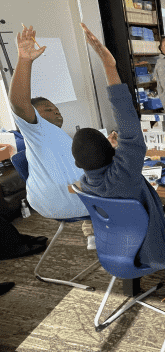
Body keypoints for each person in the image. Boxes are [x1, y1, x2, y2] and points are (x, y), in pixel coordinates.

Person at [74, 23, 165, 303]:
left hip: (118, 249)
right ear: (111, 150)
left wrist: (114, 150)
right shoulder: (124, 173)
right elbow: (129, 123)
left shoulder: (84, 183)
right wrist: (109, 66)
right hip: (154, 245)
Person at [8, 24, 99, 250]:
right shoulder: (35, 129)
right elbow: (19, 104)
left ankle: (93, 233)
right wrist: (25, 60)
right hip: (68, 201)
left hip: (54, 202)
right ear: (34, 114)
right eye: (47, 109)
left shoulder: (58, 136)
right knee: (133, 188)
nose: (55, 110)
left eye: (55, 107)